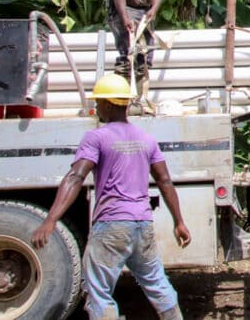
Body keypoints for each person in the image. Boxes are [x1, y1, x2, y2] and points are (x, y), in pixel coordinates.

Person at [31, 73, 190, 320]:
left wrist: (51, 219)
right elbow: (165, 181)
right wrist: (179, 221)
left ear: (108, 104)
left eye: (98, 102)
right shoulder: (146, 139)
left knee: (98, 291)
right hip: (142, 224)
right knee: (157, 283)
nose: (95, 107)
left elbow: (75, 177)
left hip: (112, 224)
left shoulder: (96, 137)